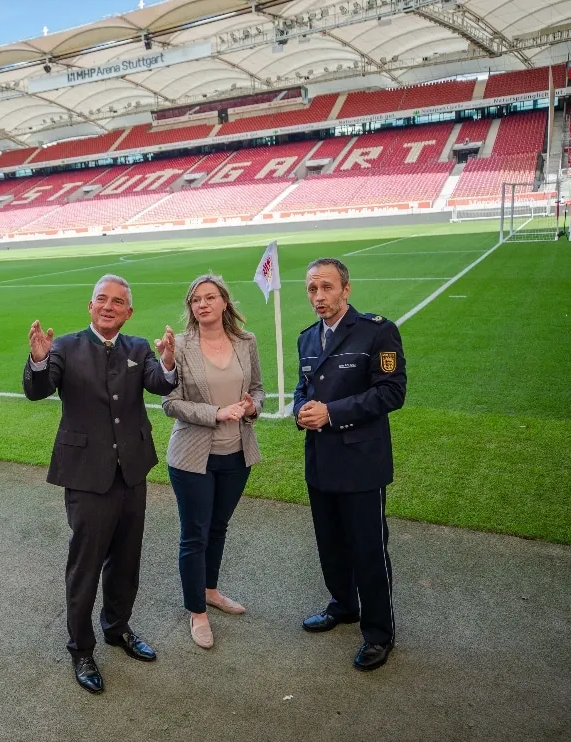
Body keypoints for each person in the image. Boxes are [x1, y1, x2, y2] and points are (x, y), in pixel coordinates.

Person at [23, 274, 177, 694]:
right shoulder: (64, 347)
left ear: (129, 312)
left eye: (118, 301)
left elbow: (159, 382)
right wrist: (38, 360)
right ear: (90, 306)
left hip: (131, 472)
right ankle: (81, 648)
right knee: (86, 566)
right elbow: (38, 390)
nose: (109, 306)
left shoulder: (138, 348)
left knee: (126, 560)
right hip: (86, 475)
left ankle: (117, 627)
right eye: (102, 300)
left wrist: (168, 363)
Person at [292, 257, 407, 671]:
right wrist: (300, 410)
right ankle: (343, 604)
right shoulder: (308, 338)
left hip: (360, 463)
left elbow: (392, 392)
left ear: (346, 289)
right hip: (321, 460)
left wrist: (331, 413)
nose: (318, 296)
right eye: (312, 289)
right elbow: (303, 387)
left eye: (326, 287)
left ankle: (379, 633)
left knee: (368, 550)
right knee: (331, 544)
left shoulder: (376, 331)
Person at [161, 274, 266, 649]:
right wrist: (216, 413)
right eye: (195, 300)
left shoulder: (246, 341)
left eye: (209, 297)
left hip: (237, 454)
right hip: (192, 457)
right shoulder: (180, 346)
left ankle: (210, 591)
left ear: (224, 302)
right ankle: (197, 613)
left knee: (218, 527)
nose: (202, 304)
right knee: (195, 534)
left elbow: (258, 389)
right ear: (191, 308)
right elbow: (170, 403)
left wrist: (252, 406)